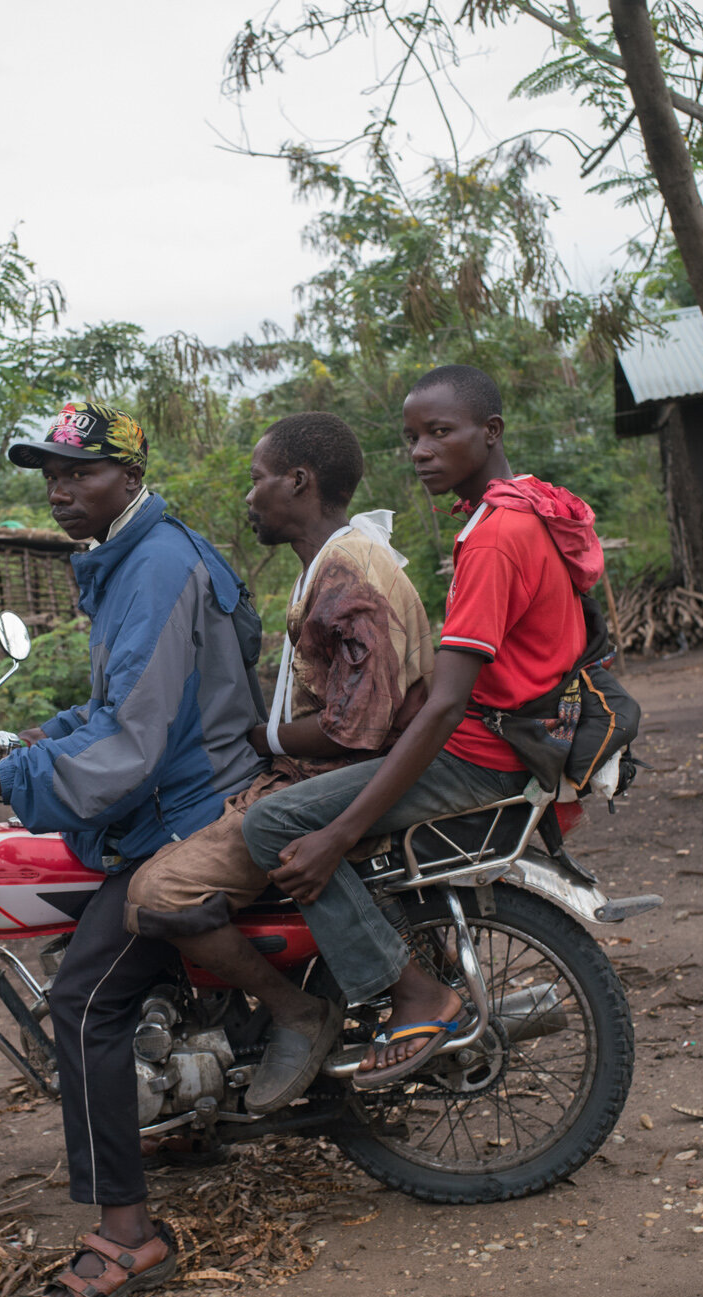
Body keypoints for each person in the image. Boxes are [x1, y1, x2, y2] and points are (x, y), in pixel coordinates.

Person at [0, 401, 264, 1297]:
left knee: (83, 999)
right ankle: (179, 1119)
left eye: (78, 473)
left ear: (128, 474)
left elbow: (139, 739)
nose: (60, 491)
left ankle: (128, 1234)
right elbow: (125, 704)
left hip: (184, 814)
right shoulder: (129, 558)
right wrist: (43, 737)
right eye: (50, 476)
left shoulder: (152, 565)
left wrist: (15, 774)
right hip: (179, 791)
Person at [241, 364, 595, 1090]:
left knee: (272, 829)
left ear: (488, 433)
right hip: (520, 736)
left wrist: (337, 832)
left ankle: (415, 994)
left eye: (440, 433)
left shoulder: (494, 537)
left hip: (480, 753)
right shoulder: (530, 509)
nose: (421, 451)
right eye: (411, 438)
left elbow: (444, 707)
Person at [124, 411, 433, 1113]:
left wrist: (268, 741)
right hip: (313, 773)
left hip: (332, 780)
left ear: (298, 481)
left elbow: (360, 725)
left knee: (154, 896)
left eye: (257, 479)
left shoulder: (347, 571)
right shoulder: (331, 564)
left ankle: (298, 1014)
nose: (249, 496)